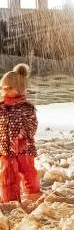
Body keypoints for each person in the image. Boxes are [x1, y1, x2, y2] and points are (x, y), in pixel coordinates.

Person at [0, 64, 41, 203]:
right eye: (3, 87)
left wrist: (23, 136)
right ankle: (11, 199)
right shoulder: (1, 107)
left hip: (24, 148)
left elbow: (33, 125)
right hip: (6, 149)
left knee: (28, 172)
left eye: (10, 87)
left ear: (19, 88)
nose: (6, 90)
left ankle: (33, 194)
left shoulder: (26, 108)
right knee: (8, 174)